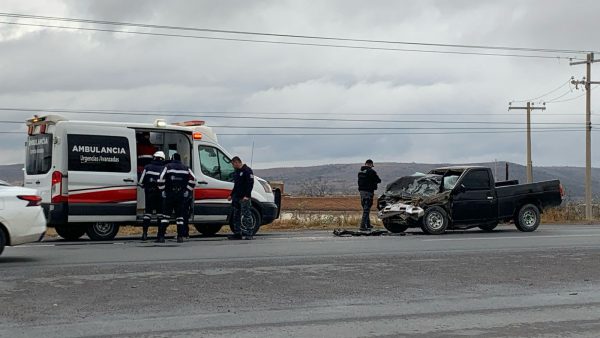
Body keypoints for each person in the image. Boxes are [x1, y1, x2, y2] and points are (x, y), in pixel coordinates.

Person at [158, 153, 196, 243]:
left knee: (165, 216)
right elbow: (194, 179)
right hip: (181, 195)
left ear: (172, 158)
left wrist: (162, 190)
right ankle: (180, 237)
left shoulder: (168, 166)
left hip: (170, 194)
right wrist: (187, 190)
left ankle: (161, 237)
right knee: (180, 217)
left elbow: (160, 178)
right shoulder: (186, 168)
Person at [138, 151, 166, 241]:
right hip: (160, 194)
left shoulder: (147, 167)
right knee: (160, 215)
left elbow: (140, 181)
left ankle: (145, 234)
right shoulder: (164, 168)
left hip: (149, 193)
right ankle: (160, 235)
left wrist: (145, 186)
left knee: (147, 214)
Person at [228, 156, 255, 240]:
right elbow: (236, 185)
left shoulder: (247, 171)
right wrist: (231, 195)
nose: (233, 166)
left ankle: (249, 233)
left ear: (237, 162)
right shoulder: (236, 172)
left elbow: (250, 184)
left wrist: (247, 196)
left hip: (244, 197)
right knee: (236, 215)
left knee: (246, 215)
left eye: (233, 164)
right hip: (236, 197)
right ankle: (237, 233)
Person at [357, 159, 381, 232]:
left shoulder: (360, 172)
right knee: (366, 210)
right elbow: (378, 180)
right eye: (371, 165)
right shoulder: (371, 171)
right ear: (370, 164)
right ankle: (362, 226)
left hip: (362, 192)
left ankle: (368, 224)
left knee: (365, 208)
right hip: (368, 192)